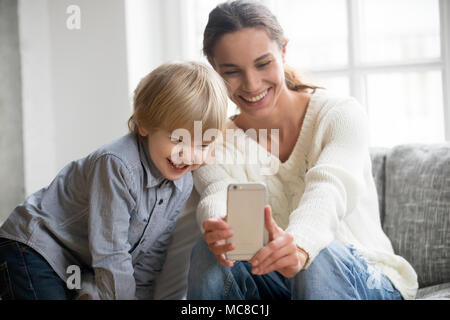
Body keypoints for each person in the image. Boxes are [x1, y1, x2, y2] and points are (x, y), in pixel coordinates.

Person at [187, 0, 418, 300]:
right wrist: (218, 226)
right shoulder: (214, 140)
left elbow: (329, 188)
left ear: (283, 51)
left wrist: (300, 245)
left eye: (263, 63)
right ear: (215, 71)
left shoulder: (340, 114)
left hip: (367, 277)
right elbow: (217, 190)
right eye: (232, 72)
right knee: (206, 252)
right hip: (277, 282)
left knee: (317, 253)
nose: (251, 84)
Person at [0, 61, 228, 300]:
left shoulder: (182, 185)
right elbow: (110, 251)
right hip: (33, 249)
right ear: (144, 124)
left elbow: (148, 260)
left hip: (78, 268)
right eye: (178, 139)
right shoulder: (117, 164)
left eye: (202, 145)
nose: (188, 155)